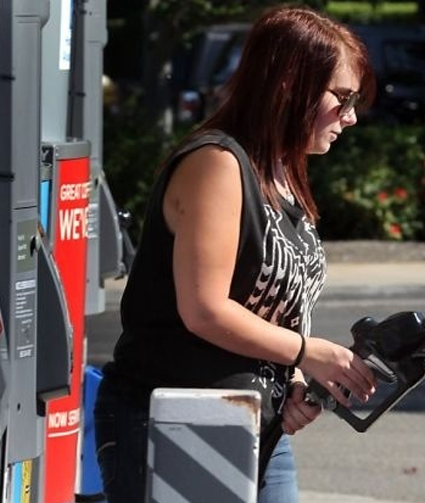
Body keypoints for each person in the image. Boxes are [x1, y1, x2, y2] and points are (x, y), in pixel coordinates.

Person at [93, 6, 378, 503]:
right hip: (178, 417)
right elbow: (205, 310)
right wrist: (308, 353)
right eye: (343, 98)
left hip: (253, 419)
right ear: (291, 84)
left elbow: (271, 311)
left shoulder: (282, 176)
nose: (350, 117)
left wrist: (291, 381)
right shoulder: (219, 163)